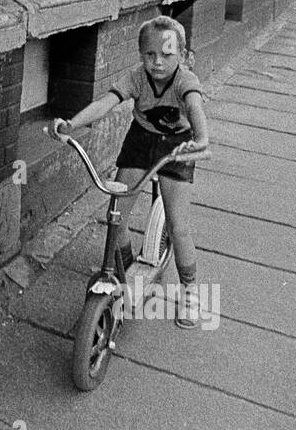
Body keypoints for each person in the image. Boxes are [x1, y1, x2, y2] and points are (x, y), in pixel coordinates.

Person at [51, 16, 209, 328]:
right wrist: (71, 124)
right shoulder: (137, 78)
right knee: (117, 217)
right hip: (142, 140)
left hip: (177, 146)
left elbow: (195, 110)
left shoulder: (185, 82)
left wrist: (201, 140)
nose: (158, 63)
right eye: (150, 55)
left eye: (167, 55)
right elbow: (105, 103)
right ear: (141, 55)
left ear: (183, 55)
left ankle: (190, 290)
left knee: (179, 227)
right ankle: (124, 275)